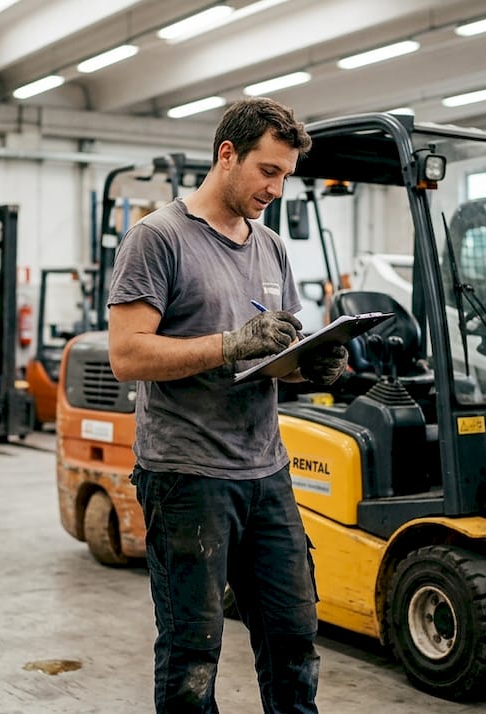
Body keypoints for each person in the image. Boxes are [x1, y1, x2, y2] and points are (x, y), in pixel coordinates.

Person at [106, 97, 348, 713]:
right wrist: (229, 345)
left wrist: (312, 367)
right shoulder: (157, 238)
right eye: (268, 171)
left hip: (265, 472)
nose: (276, 187)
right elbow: (128, 356)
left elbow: (275, 356)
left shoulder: (271, 247)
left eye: (286, 176)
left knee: (294, 636)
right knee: (193, 652)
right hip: (187, 476)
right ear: (227, 154)